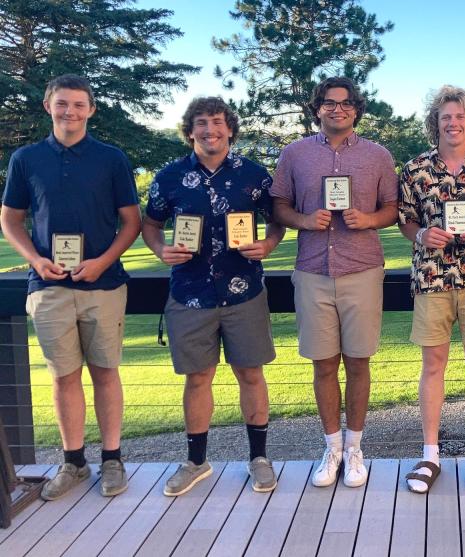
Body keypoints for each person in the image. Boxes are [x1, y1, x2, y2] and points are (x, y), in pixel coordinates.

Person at [1, 74, 141, 500]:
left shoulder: (111, 158)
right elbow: (10, 219)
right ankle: (74, 463)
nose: (70, 112)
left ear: (91, 110)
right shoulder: (26, 159)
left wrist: (102, 262)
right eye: (62, 104)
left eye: (79, 105)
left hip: (104, 284)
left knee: (105, 373)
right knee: (63, 377)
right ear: (48, 106)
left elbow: (131, 221)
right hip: (47, 286)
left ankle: (112, 459)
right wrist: (36, 260)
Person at [142, 97, 283, 495]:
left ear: (230, 129)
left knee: (251, 374)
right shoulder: (169, 177)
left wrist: (269, 245)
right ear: (190, 130)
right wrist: (159, 250)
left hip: (245, 293)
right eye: (202, 123)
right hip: (190, 294)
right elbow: (150, 224)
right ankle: (196, 462)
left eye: (218, 123)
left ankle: (258, 458)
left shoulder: (254, 175)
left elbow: (278, 222)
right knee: (198, 378)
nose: (210, 130)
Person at [271, 77, 398, 488]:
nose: (337, 109)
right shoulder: (295, 155)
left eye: (345, 103)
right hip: (312, 270)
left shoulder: (378, 156)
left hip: (361, 268)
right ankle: (332, 449)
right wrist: (305, 220)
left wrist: (370, 219)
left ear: (357, 109)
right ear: (318, 109)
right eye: (329, 103)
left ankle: (356, 448)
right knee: (324, 364)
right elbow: (279, 206)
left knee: (358, 362)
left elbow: (393, 208)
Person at [398, 86, 465, 495]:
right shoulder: (415, 169)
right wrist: (423, 233)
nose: (453, 123)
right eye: (446, 117)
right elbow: (405, 221)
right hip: (432, 278)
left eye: (459, 116)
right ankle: (430, 454)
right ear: (436, 122)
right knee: (432, 365)